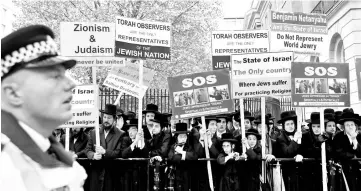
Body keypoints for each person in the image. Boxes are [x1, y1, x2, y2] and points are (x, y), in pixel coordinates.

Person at [1, 25, 87, 190]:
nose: (71, 84)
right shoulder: (5, 167)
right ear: (13, 93)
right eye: (55, 76)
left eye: (65, 74)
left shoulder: (56, 155)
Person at [84, 104, 126, 191]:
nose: (106, 120)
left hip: (111, 176)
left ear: (114, 119)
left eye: (109, 118)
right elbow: (87, 150)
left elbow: (118, 153)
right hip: (96, 174)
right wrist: (93, 155)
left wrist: (104, 152)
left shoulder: (120, 134)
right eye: (105, 117)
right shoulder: (94, 132)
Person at [274, 111, 303, 191]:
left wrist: (300, 155)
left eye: (292, 124)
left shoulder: (299, 135)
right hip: (286, 172)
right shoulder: (280, 138)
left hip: (299, 172)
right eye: (287, 124)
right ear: (283, 126)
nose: (290, 126)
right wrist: (294, 140)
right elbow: (287, 152)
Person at [333, 111, 361, 191]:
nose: (350, 127)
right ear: (344, 127)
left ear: (355, 126)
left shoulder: (360, 136)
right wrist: (353, 156)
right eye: (347, 125)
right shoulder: (338, 136)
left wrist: (354, 140)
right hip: (344, 168)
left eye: (352, 125)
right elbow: (338, 151)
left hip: (358, 170)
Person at [168, 122, 198, 191]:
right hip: (175, 175)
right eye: (181, 137)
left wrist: (182, 152)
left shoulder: (189, 147)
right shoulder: (173, 147)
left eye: (185, 136)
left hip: (186, 175)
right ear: (176, 137)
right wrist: (184, 157)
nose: (183, 139)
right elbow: (171, 157)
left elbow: (194, 156)